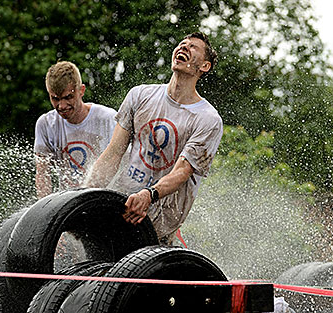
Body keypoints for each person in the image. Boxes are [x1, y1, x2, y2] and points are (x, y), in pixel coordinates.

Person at [84, 32, 223, 245]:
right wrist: (83, 199)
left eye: (193, 47)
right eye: (181, 43)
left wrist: (149, 194)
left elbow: (182, 172)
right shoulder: (140, 96)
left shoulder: (208, 119)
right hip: (122, 207)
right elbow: (113, 152)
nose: (184, 47)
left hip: (160, 225)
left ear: (205, 66)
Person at [34, 61, 117, 199]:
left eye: (68, 97)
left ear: (81, 91)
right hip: (68, 204)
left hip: (105, 199)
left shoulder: (108, 119)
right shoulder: (45, 124)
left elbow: (123, 165)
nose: (62, 106)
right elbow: (43, 174)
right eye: (55, 99)